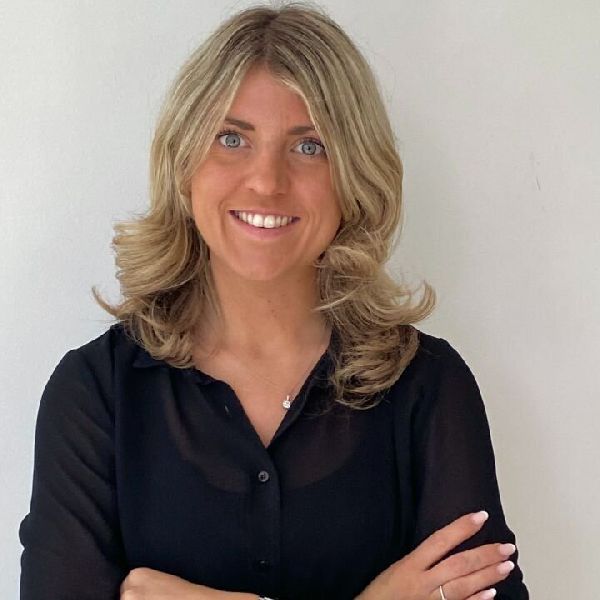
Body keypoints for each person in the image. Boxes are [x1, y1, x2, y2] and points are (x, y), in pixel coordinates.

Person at [18, 3, 529, 599]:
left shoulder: (427, 386)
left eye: (309, 146)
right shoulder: (96, 392)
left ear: (354, 175)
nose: (266, 181)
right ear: (183, 163)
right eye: (231, 138)